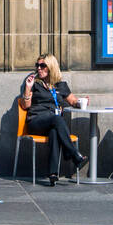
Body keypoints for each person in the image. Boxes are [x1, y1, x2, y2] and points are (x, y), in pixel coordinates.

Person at [19, 53, 89, 186]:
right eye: (37, 65)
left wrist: (81, 101)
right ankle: (73, 154)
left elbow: (73, 101)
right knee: (57, 120)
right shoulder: (34, 83)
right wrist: (28, 88)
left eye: (42, 65)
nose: (39, 68)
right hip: (36, 121)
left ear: (51, 67)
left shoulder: (60, 85)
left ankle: (52, 173)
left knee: (54, 131)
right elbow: (25, 105)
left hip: (53, 123)